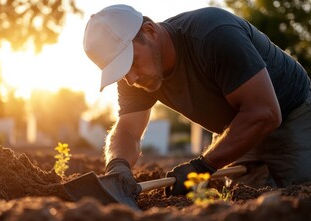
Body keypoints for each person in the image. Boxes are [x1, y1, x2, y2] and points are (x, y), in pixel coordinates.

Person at [83, 4, 311, 197]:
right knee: (247, 200)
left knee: (299, 195)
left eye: (132, 63)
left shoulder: (213, 35)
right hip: (237, 127)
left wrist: (203, 166)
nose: (131, 79)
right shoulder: (135, 75)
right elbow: (128, 130)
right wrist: (118, 164)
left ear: (150, 31)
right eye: (121, 72)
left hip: (291, 113)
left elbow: (265, 113)